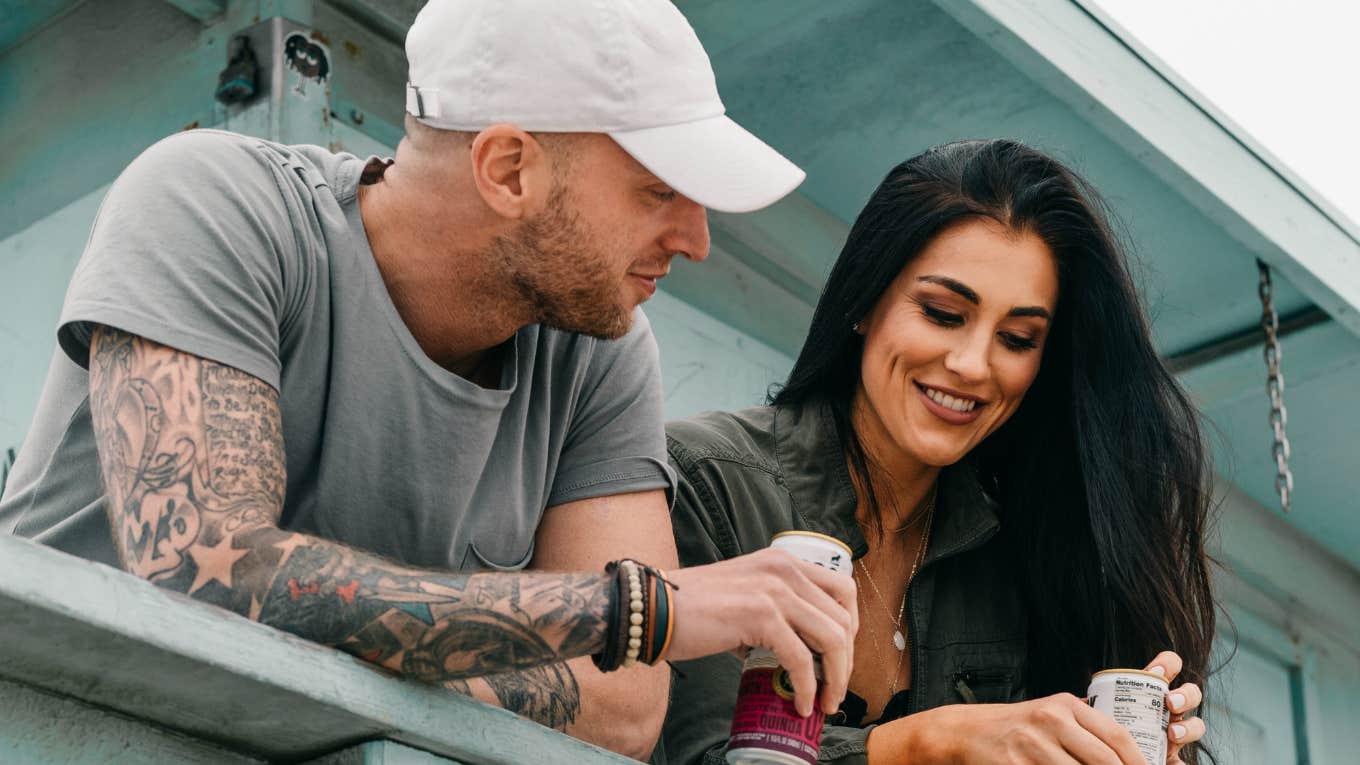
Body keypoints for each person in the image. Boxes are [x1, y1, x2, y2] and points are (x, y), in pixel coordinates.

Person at [0, 0, 858, 759]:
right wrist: (638, 611)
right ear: (509, 168)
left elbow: (627, 709)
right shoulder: (215, 205)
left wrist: (366, 633)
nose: (699, 240)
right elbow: (206, 575)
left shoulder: (602, 349)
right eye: (659, 190)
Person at [657, 139, 1216, 765]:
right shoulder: (702, 484)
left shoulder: (1024, 561)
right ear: (864, 301)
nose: (973, 365)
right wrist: (927, 744)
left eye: (1017, 337)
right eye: (944, 312)